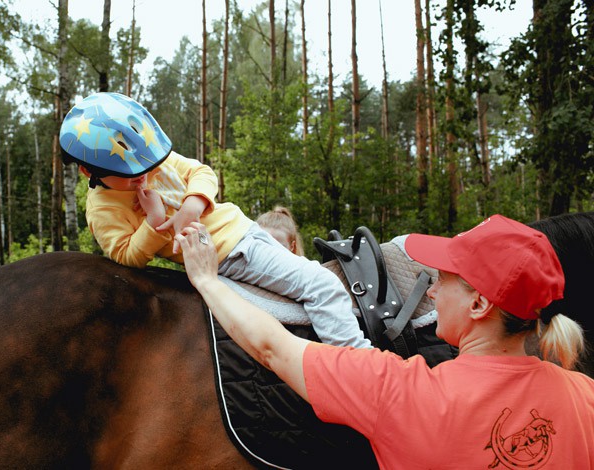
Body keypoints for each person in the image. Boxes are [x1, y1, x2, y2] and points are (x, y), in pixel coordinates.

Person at [174, 214, 594, 469]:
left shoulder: (401, 393)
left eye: (442, 280)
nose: (430, 292)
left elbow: (271, 347)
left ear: (480, 303)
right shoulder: (584, 397)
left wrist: (207, 281)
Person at [59, 92, 370, 348]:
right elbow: (126, 255)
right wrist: (153, 221)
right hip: (230, 253)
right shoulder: (102, 210)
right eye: (129, 175)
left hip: (245, 230)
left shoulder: (151, 161)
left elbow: (201, 172)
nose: (143, 176)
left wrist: (191, 207)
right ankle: (358, 366)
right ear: (89, 171)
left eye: (146, 166)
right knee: (322, 284)